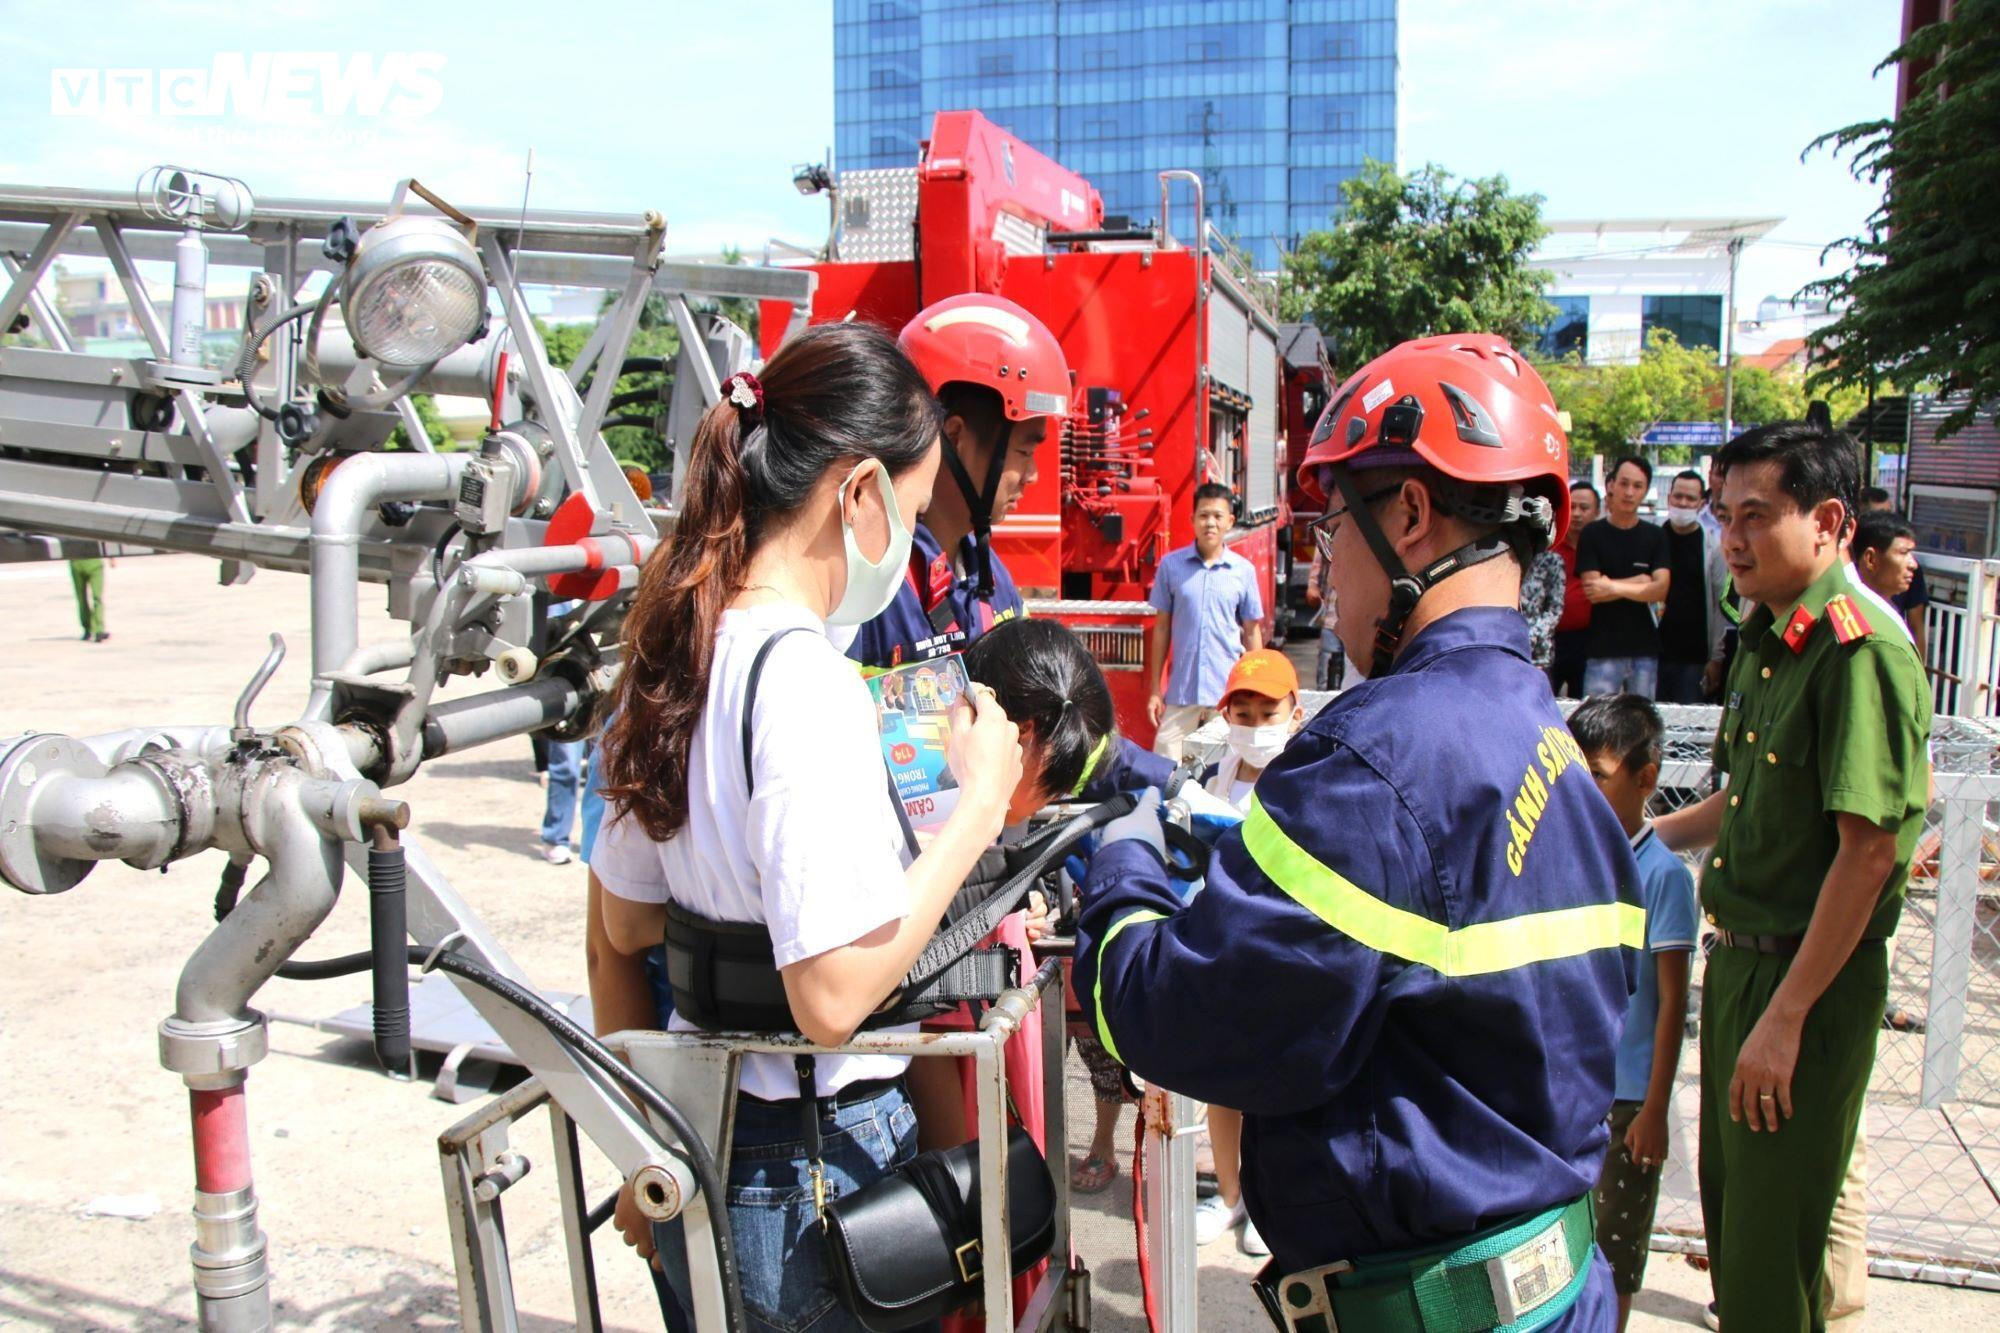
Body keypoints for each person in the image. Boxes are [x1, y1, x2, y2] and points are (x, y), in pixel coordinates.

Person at [1078, 333, 1642, 1330]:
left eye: (1333, 523)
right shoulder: (1552, 747)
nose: (1324, 562)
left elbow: (1184, 1022)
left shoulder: (1376, 754)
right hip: (1557, 1294)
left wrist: (1123, 862)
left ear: (1411, 516)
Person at [590, 323, 1025, 1333]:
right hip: (811, 1161)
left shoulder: (677, 653)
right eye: (912, 507)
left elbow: (618, 931)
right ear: (859, 491)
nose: (909, 535)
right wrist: (977, 808)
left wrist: (641, 1150)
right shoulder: (805, 683)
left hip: (700, 1137)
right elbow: (829, 994)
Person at [1652, 419, 1930, 1331]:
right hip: (1740, 967)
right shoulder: (1772, 637)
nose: (1731, 537)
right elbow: (1744, 799)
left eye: (1757, 516)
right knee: (1738, 1242)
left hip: (1801, 985)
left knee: (1773, 1262)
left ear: (1830, 521)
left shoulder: (1858, 652)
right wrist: (1641, 837)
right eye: (1725, 515)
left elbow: (1869, 850)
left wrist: (1785, 1018)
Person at [850, 292, 1172, 798]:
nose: (1033, 475)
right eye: (1024, 450)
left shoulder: (988, 579)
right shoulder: (868, 592)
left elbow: (1053, 725)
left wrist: (1166, 781)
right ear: (954, 437)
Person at [1569, 695, 1697, 1331]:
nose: (1580, 787)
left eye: (1595, 772)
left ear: (1645, 779)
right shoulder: (1569, 858)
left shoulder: (1664, 877)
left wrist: (1653, 1109)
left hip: (1625, 1103)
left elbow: (1672, 1000)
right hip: (1569, 1088)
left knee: (1613, 1256)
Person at [1188, 647, 1304, 1260]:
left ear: (1295, 710)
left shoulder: (1306, 775)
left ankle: (1266, 1202)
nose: (1256, 725)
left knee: (1272, 1091)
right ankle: (1230, 1194)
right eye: (1245, 711)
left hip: (1282, 957)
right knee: (1222, 1086)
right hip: (1223, 952)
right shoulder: (1216, 774)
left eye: (1268, 712)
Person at [1146, 483, 1265, 760]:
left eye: (1217, 516)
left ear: (1230, 522)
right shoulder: (1171, 567)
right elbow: (1161, 628)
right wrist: (1155, 689)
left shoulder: (1243, 572)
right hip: (1181, 692)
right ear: (1192, 520)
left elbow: (1251, 631)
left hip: (1226, 693)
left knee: (1223, 772)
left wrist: (1255, 686)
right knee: (1164, 765)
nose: (1210, 523)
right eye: (1203, 516)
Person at [1578, 454, 1671, 697]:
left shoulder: (1656, 536)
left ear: (1646, 491)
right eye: (1624, 483)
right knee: (1596, 725)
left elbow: (1661, 589)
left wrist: (1612, 586)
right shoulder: (1592, 534)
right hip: (1603, 649)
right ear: (1611, 485)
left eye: (1637, 486)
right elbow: (1592, 591)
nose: (1629, 492)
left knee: (1643, 728)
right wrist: (1641, 582)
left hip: (1644, 649)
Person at [1656, 470, 1731, 704]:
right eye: (1678, 497)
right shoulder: (1654, 538)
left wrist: (1717, 657)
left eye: (1690, 499)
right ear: (1669, 498)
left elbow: (1721, 603)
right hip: (1654, 655)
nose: (1683, 503)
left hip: (1695, 657)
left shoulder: (1713, 547)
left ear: (1701, 503)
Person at [1862, 487, 1929, 663]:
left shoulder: (1894, 624)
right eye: (1902, 552)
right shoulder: (1846, 613)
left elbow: (1917, 627)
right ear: (1870, 558)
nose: (1912, 564)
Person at [1550, 481, 1600, 696]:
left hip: (1589, 640)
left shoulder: (1601, 546)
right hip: (1552, 639)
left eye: (1584, 508)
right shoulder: (1549, 544)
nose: (1577, 514)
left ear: (1597, 512)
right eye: (1572, 506)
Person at [1520, 540, 1565, 672]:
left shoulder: (1550, 560)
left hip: (1537, 654)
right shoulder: (1504, 559)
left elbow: (1555, 609)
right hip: (1505, 647)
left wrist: (1531, 635)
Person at [1306, 547, 1346, 690]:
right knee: (1325, 684)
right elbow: (1314, 582)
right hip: (1331, 622)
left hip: (1360, 628)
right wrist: (1313, 589)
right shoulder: (1328, 536)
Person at [68, 546, 108, 643]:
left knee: (97, 597)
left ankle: (99, 629)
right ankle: (87, 628)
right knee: (81, 598)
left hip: (94, 563)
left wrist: (111, 557)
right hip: (76, 562)